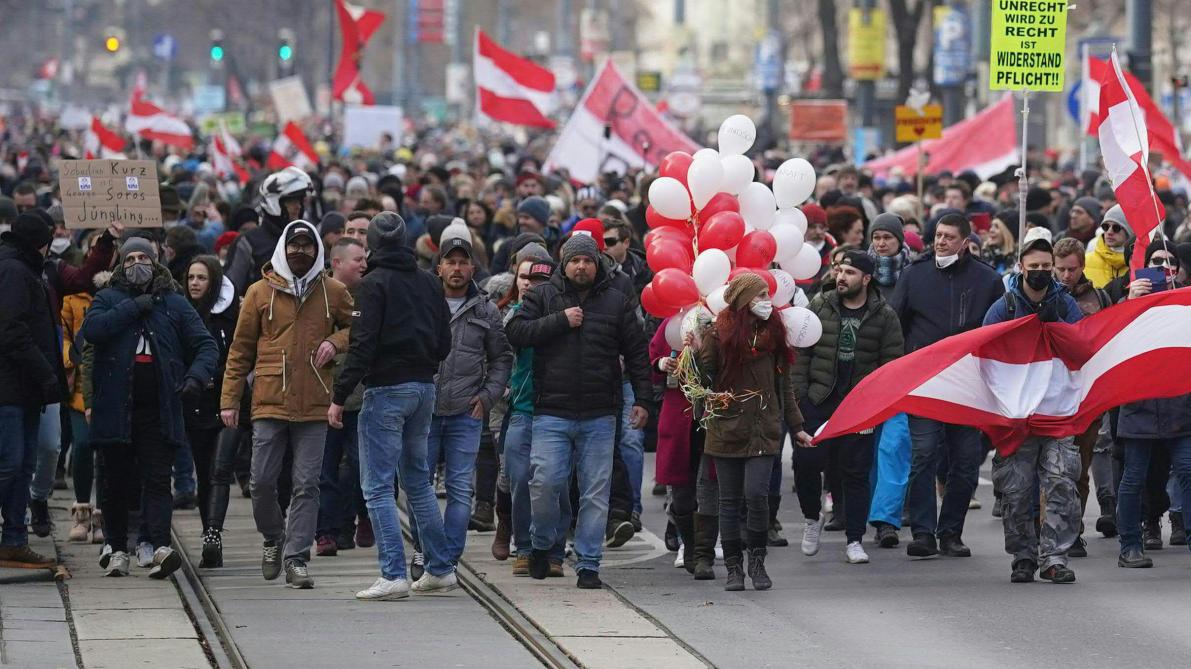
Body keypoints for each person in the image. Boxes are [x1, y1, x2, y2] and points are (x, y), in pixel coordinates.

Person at [505, 234, 653, 589]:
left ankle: (589, 563)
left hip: (600, 413)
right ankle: (542, 542)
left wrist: (643, 400)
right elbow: (515, 331)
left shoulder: (616, 301)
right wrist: (559, 320)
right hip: (551, 412)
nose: (581, 266)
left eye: (587, 260)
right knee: (545, 483)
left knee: (594, 491)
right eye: (575, 261)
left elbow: (637, 353)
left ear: (596, 262)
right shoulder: (543, 296)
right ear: (564, 263)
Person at [329, 212, 456, 601]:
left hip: (386, 390)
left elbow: (363, 344)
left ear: (374, 247)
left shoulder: (373, 285)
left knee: (378, 486)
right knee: (417, 481)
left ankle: (393, 573)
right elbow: (444, 341)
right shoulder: (428, 282)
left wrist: (339, 396)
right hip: (423, 387)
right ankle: (440, 567)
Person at [221, 220, 354, 589]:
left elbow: (358, 327)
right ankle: (272, 536)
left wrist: (337, 341)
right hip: (268, 400)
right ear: (283, 247)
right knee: (261, 480)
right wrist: (230, 399)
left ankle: (297, 557)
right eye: (293, 246)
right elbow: (240, 350)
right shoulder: (258, 293)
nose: (300, 253)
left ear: (317, 251)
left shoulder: (334, 292)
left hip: (313, 401)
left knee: (307, 484)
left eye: (307, 247)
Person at [81, 238, 218, 578]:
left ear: (156, 262)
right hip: (115, 409)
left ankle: (157, 545)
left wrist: (195, 379)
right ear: (121, 264)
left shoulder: (173, 302)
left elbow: (205, 345)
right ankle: (115, 546)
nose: (137, 263)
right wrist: (133, 307)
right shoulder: (107, 298)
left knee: (157, 480)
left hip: (160, 408)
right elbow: (93, 331)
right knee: (116, 481)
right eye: (131, 258)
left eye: (144, 257)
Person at [686, 273, 810, 591]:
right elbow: (703, 379)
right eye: (759, 296)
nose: (766, 302)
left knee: (757, 496)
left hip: (763, 428)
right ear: (743, 302)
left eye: (767, 295)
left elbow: (785, 387)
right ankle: (733, 568)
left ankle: (757, 563)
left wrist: (797, 427)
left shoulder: (775, 335)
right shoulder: (718, 335)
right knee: (729, 501)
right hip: (726, 429)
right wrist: (692, 355)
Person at [890, 212, 1004, 559]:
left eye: (949, 237)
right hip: (925, 382)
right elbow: (897, 324)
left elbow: (998, 330)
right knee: (924, 455)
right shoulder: (914, 275)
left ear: (965, 242)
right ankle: (923, 532)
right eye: (938, 235)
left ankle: (951, 532)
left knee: (966, 460)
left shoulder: (986, 280)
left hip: (967, 383)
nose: (941, 242)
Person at [983, 228, 1083, 584]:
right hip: (1018, 417)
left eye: (1047, 265)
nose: (1041, 271)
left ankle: (1054, 557)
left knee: (1060, 485)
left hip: (1056, 415)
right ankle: (1023, 556)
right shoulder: (1003, 308)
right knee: (1016, 490)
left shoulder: (1065, 305)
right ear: (1021, 267)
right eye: (1034, 265)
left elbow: (1081, 349)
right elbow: (987, 357)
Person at [407, 234, 512, 575]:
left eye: (462, 262)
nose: (456, 268)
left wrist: (486, 397)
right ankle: (426, 550)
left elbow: (501, 360)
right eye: (450, 262)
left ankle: (447, 560)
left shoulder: (486, 311)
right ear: (439, 268)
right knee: (418, 484)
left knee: (459, 489)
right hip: (424, 410)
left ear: (472, 267)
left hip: (466, 413)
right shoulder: (421, 302)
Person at [792, 251, 903, 563]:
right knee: (807, 464)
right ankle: (812, 518)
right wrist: (801, 396)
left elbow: (891, 362)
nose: (841, 277)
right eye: (839, 271)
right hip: (817, 401)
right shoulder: (819, 305)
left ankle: (854, 539)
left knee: (855, 471)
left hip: (859, 407)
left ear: (866, 279)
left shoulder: (884, 315)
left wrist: (873, 401)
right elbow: (801, 354)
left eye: (850, 273)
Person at [1114, 241, 1191, 569]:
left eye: (1169, 262)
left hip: (1180, 407)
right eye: (1155, 261)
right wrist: (1130, 303)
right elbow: (1112, 342)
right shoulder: (1127, 304)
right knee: (1134, 476)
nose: (1162, 267)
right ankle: (1130, 544)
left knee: (1188, 470)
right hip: (1139, 406)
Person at [0, 214, 61, 568]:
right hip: (9, 388)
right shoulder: (13, 271)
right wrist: (45, 372)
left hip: (24, 389)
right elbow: (11, 331)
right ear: (40, 242)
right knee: (9, 464)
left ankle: (13, 539)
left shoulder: (22, 267)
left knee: (23, 466)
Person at [1052, 238, 1117, 543]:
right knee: (1053, 468)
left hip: (1087, 395)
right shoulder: (1043, 296)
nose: (1066, 275)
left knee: (1080, 466)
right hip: (1051, 394)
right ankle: (1051, 528)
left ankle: (1073, 529)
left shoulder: (1099, 298)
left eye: (1072, 269)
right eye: (1061, 269)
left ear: (1082, 266)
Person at [182, 255, 240, 568]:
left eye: (201, 278)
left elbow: (238, 355)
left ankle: (213, 534)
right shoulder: (180, 314)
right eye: (191, 277)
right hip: (192, 407)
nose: (195, 283)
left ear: (214, 281)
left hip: (226, 404)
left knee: (218, 471)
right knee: (203, 472)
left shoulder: (231, 316)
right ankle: (207, 532)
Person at [316, 238, 371, 557]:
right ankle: (326, 531)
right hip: (325, 395)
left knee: (359, 466)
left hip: (360, 395)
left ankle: (357, 520)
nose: (364, 265)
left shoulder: (369, 291)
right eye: (357, 260)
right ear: (336, 263)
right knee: (324, 470)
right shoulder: (318, 294)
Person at [224, 167, 313, 295]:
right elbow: (231, 290)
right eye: (292, 200)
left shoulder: (308, 238)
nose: (298, 206)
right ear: (274, 202)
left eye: (300, 200)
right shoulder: (248, 242)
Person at [1083, 204, 1133, 289]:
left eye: (1116, 228)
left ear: (1129, 231)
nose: (1109, 232)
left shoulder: (1139, 263)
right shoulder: (1085, 261)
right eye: (1105, 226)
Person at [867, 212, 910, 299]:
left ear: (899, 240)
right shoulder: (862, 270)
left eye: (887, 237)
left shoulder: (913, 271)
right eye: (876, 238)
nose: (881, 244)